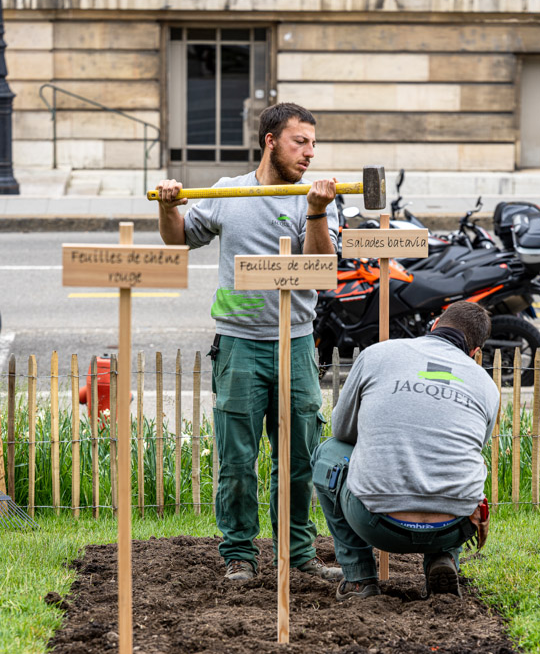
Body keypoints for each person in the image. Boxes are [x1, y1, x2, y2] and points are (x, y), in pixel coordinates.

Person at [155, 102, 343, 583]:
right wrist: (168, 205)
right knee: (236, 462)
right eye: (300, 142)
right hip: (238, 345)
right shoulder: (227, 193)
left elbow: (322, 272)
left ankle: (297, 553)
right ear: (271, 141)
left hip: (297, 345)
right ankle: (239, 553)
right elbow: (179, 240)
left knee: (299, 458)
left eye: (314, 144)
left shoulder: (315, 196)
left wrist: (317, 211)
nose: (310, 154)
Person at [311, 301, 500, 600]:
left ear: (434, 323)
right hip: (453, 525)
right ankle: (444, 558)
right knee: (455, 461)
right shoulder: (487, 386)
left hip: (376, 523)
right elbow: (473, 446)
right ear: (475, 352)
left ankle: (359, 578)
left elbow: (342, 431)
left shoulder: (378, 354)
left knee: (327, 453)